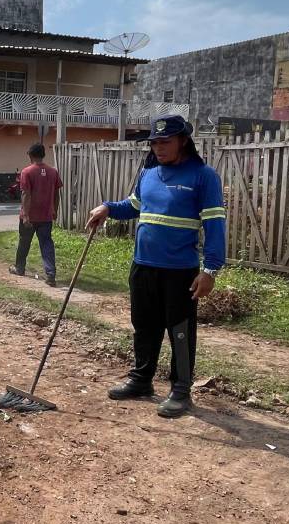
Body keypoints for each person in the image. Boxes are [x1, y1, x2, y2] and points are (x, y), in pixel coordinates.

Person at [85, 115, 226, 418]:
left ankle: (181, 390)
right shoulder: (149, 173)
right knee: (144, 325)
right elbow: (134, 207)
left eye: (165, 141)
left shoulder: (203, 176)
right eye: (155, 142)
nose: (158, 148)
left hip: (179, 271)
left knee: (180, 331)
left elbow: (215, 225)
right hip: (143, 265)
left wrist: (210, 270)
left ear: (183, 141)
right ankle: (141, 379)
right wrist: (108, 208)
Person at [9, 142, 62, 287]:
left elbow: (26, 194)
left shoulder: (26, 172)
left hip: (30, 217)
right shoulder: (53, 172)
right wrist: (55, 210)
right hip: (46, 216)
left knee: (24, 242)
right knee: (46, 244)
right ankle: (51, 274)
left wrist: (25, 215)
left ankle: (19, 268)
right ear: (43, 155)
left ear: (31, 155)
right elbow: (57, 193)